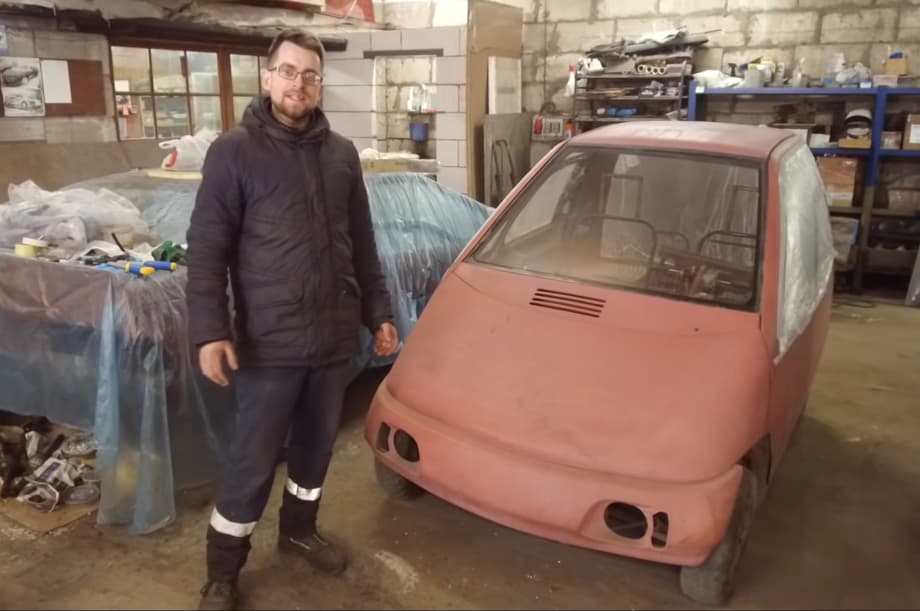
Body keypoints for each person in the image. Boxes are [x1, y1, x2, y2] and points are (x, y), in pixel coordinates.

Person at [185, 28, 400, 611]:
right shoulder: (234, 153)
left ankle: (299, 531)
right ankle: (223, 572)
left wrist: (378, 312)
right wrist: (209, 331)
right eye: (287, 71)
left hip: (332, 340)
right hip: (268, 343)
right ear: (267, 77)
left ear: (320, 83)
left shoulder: (342, 155)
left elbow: (362, 242)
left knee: (314, 452)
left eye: (309, 74)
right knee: (253, 462)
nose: (297, 84)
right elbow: (207, 251)